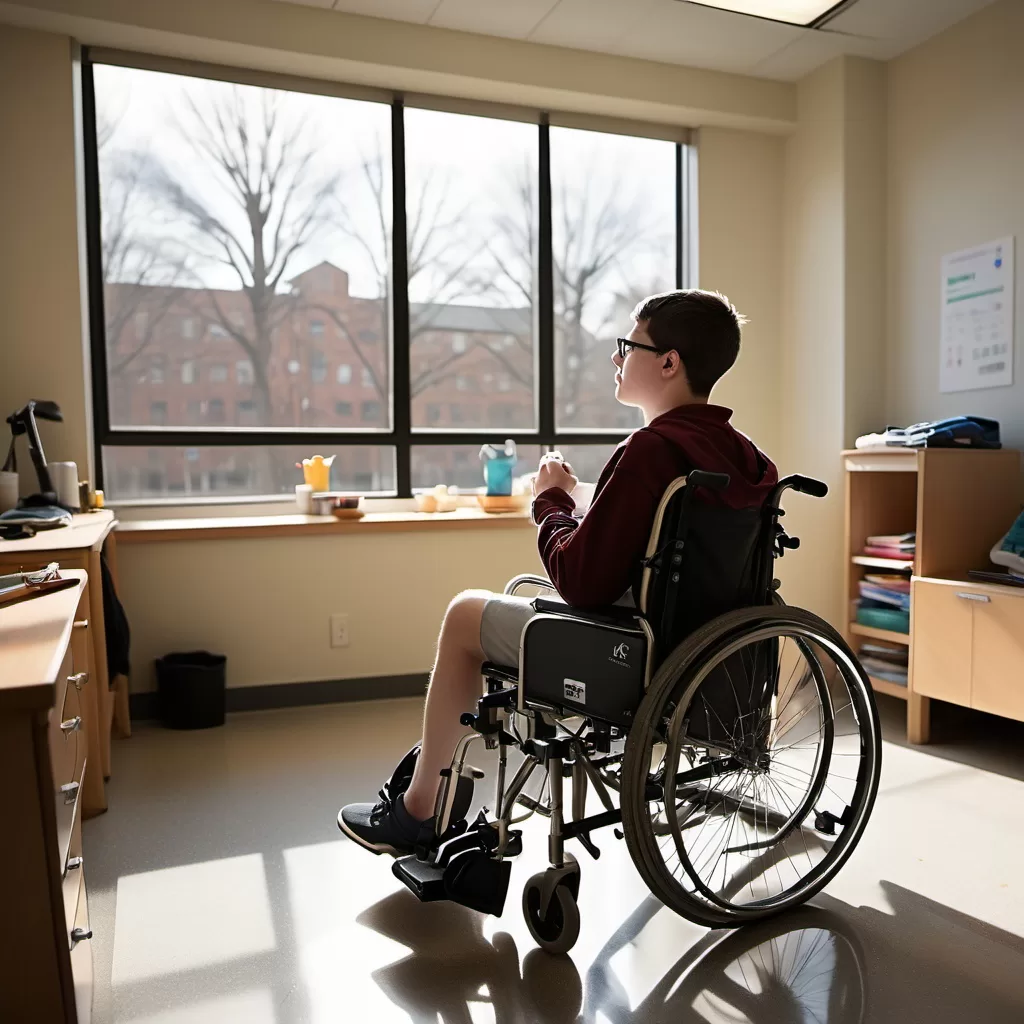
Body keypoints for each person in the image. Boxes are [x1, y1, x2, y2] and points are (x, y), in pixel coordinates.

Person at [338, 289, 779, 855]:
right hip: (701, 654)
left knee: (464, 614)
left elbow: (581, 580)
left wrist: (549, 502)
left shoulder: (650, 450)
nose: (617, 359)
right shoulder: (746, 457)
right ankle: (436, 792)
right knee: (500, 607)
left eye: (629, 345)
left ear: (669, 362)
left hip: (628, 653)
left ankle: (420, 809)